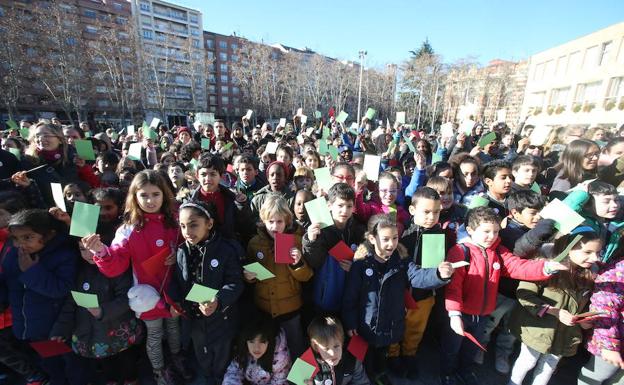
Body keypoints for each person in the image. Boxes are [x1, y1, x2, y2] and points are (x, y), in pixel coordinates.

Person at [81, 170, 187, 385]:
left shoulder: (176, 221)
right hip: (147, 294)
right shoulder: (128, 230)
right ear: (134, 198)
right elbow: (115, 264)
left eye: (156, 194)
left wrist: (179, 253)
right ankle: (159, 372)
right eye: (144, 195)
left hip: (173, 288)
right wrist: (101, 251)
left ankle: (177, 360)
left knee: (174, 328)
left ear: (164, 195)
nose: (150, 200)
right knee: (155, 334)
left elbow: (191, 243)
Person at [441, 207, 566, 385]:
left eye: (496, 231)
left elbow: (518, 267)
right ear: (470, 230)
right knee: (452, 346)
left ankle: (464, 370)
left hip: (483, 314)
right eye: (486, 231)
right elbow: (453, 288)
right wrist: (454, 315)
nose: (492, 236)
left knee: (471, 347)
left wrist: (546, 268)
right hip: (461, 312)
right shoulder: (460, 252)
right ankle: (447, 373)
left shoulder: (498, 251)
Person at [342, 214, 448, 384]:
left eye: (395, 238)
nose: (391, 243)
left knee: (383, 352)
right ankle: (368, 376)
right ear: (372, 238)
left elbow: (418, 277)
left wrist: (438, 274)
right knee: (366, 355)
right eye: (385, 239)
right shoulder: (361, 265)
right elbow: (350, 297)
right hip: (367, 324)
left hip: (391, 322)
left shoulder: (401, 261)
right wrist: (350, 322)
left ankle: (381, 374)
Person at [508, 227, 601, 385]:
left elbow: (584, 304)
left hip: (565, 334)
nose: (595, 258)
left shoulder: (590, 274)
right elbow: (525, 294)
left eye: (598, 252)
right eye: (588, 252)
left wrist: (584, 320)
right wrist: (552, 311)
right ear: (568, 248)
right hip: (539, 329)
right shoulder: (545, 266)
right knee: (528, 361)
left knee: (548, 368)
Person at [169, 201, 244, 385]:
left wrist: (218, 301)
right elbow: (178, 282)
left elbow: (235, 282)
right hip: (194, 317)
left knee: (221, 353)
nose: (187, 231)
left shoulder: (225, 250)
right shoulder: (181, 251)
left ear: (209, 224)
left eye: (194, 225)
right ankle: (208, 375)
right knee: (201, 350)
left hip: (221, 319)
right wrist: (176, 301)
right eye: (183, 226)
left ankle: (220, 377)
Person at [49, 238, 143, 385]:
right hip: (93, 335)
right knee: (106, 363)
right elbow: (70, 303)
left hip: (118, 330)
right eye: (82, 249)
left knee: (126, 360)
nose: (87, 254)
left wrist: (102, 311)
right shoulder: (78, 271)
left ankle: (131, 380)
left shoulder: (116, 268)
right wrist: (60, 330)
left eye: (91, 248)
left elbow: (126, 298)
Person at [1, 209, 77, 385]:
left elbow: (61, 289)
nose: (20, 244)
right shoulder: (14, 253)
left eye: (27, 237)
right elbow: (8, 282)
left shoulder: (63, 255)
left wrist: (32, 271)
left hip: (58, 331)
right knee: (51, 368)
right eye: (15, 238)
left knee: (72, 368)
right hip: (33, 330)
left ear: (49, 235)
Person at [387, 187, 455, 380]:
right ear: (412, 210)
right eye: (426, 211)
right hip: (398, 293)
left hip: (424, 296)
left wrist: (442, 274)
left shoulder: (440, 236)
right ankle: (392, 355)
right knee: (395, 325)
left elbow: (435, 269)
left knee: (415, 329)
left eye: (436, 212)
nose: (431, 217)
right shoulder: (402, 233)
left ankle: (409, 354)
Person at [245, 195, 313, 358]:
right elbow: (249, 273)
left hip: (290, 307)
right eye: (270, 222)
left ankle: (301, 380)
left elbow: (306, 277)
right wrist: (249, 277)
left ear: (287, 221)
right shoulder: (255, 243)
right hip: (265, 308)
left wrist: (297, 263)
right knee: (271, 349)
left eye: (279, 222)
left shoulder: (296, 241)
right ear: (263, 221)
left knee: (295, 345)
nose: (275, 227)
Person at [303, 183, 366, 314]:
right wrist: (311, 240)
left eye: (349, 206)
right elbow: (314, 262)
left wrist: (354, 267)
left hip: (350, 296)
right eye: (340, 205)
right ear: (329, 205)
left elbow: (367, 262)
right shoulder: (320, 229)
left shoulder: (359, 230)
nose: (345, 211)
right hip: (326, 296)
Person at [578, 246, 624, 385]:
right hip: (616, 341)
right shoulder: (620, 269)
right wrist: (608, 346)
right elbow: (604, 305)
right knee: (595, 376)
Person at [188, 154, 251, 240]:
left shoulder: (231, 198)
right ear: (197, 176)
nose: (208, 179)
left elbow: (244, 226)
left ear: (221, 176)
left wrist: (242, 205)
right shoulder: (190, 203)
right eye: (203, 174)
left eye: (213, 174)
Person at [222, 315, 290, 385]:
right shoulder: (243, 351)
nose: (257, 348)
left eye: (262, 341)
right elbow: (233, 372)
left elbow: (278, 382)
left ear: (269, 342)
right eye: (251, 341)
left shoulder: (280, 358)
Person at [307, 316, 370, 385]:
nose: (333, 353)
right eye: (326, 349)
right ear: (316, 347)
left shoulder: (352, 359)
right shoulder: (307, 363)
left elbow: (363, 383)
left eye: (336, 346)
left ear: (342, 342)